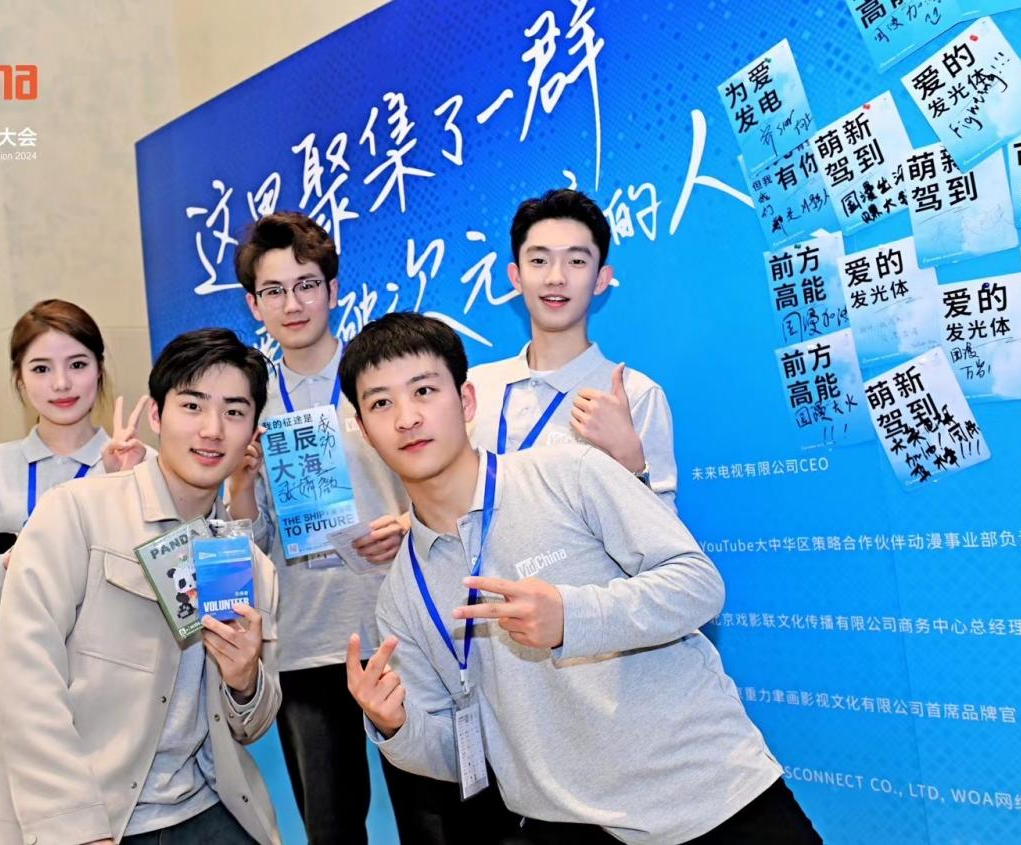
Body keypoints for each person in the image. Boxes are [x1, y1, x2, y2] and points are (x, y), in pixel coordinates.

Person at [340, 313, 820, 845]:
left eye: (424, 391)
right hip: (564, 826)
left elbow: (698, 585)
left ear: (467, 401)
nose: (407, 418)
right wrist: (396, 725)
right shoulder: (401, 595)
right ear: (363, 431)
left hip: (707, 795)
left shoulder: (569, 473)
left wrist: (571, 617)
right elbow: (465, 753)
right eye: (381, 403)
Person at [0, 328, 282, 845]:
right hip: (90, 814)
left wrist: (245, 681)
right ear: (156, 415)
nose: (212, 429)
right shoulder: (77, 513)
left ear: (252, 433)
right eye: (192, 405)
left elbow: (252, 724)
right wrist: (76, 827)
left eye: (234, 411)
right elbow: (25, 677)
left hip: (203, 804)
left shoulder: (248, 564)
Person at [227, 212, 461, 844]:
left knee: (432, 821)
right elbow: (250, 548)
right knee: (331, 828)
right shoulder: (248, 403)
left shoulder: (380, 377)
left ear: (332, 290)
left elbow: (449, 482)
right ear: (253, 304)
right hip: (305, 642)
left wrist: (409, 524)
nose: (292, 304)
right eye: (274, 291)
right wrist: (241, 485)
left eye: (306, 285)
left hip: (401, 629)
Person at [0, 299, 151, 767]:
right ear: (19, 378)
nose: (62, 383)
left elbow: (169, 587)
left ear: (100, 368)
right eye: (42, 368)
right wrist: (11, 566)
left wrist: (120, 490)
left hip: (116, 700)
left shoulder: (140, 464)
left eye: (77, 364)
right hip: (12, 700)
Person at [468, 189, 679, 510]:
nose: (556, 277)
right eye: (539, 261)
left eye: (577, 261)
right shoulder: (473, 388)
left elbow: (664, 532)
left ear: (601, 280)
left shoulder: (636, 395)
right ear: (516, 277)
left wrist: (630, 459)